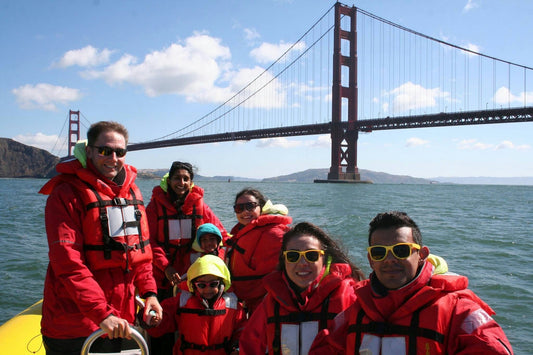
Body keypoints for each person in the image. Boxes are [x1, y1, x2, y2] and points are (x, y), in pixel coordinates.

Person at [310, 211, 513, 355]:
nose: (389, 259)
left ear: (422, 255)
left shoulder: (458, 311)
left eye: (401, 250)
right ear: (371, 260)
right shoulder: (356, 311)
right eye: (379, 252)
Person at [38, 121, 162, 354]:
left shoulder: (133, 193)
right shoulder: (65, 194)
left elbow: (141, 254)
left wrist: (150, 293)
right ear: (89, 151)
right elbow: (67, 262)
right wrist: (101, 313)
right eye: (105, 151)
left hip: (123, 321)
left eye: (120, 152)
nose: (113, 158)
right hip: (74, 326)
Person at [239, 222, 365, 355]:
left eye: (311, 255)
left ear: (324, 258)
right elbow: (250, 345)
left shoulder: (349, 296)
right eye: (293, 256)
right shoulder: (272, 301)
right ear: (284, 259)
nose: (302, 263)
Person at [146, 161, 228, 353]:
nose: (181, 182)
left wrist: (213, 264)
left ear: (191, 182)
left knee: (189, 325)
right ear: (169, 180)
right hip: (161, 276)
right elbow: (149, 240)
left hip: (190, 279)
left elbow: (221, 235)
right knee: (160, 325)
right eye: (177, 178)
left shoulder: (199, 206)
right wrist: (166, 267)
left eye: (186, 179)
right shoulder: (155, 206)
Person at [147, 254, 246, 355]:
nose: (208, 289)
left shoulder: (233, 304)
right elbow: (163, 319)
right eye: (201, 285)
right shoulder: (182, 302)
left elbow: (242, 328)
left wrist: (237, 346)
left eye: (213, 284)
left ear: (222, 283)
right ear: (193, 285)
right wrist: (152, 319)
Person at [225, 188, 292, 315]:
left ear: (261, 208)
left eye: (250, 206)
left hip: (263, 304)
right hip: (244, 300)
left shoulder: (274, 233)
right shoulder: (242, 232)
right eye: (239, 208)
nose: (245, 211)